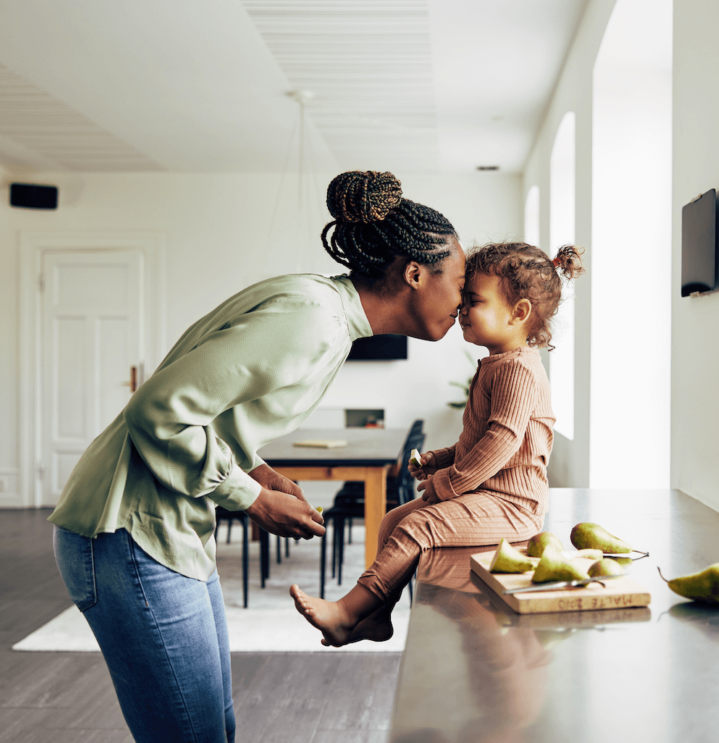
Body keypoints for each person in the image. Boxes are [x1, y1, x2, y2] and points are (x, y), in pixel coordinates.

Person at [49, 170, 466, 743]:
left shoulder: (324, 314)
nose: (465, 302)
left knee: (211, 727)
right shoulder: (312, 318)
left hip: (161, 531)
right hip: (127, 533)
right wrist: (250, 499)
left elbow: (211, 412)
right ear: (415, 274)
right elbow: (158, 412)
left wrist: (258, 470)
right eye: (462, 281)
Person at [290, 241, 585, 647]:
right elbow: (481, 440)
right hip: (487, 494)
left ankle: (347, 612)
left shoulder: (518, 369)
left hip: (514, 506)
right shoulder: (498, 364)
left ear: (518, 314)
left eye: (474, 301)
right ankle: (377, 617)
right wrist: (440, 459)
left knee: (416, 527)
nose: (461, 309)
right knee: (393, 520)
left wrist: (450, 481)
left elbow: (502, 441)